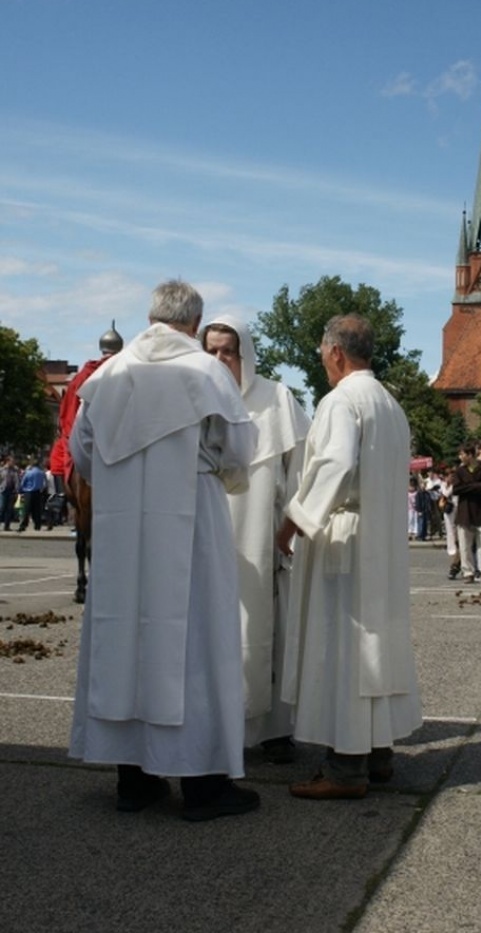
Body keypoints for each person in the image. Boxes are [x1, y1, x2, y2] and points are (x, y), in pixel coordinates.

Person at [69, 280, 260, 821]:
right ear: (194, 325)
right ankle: (203, 785)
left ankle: (135, 778)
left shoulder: (106, 378)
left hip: (122, 526)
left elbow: (82, 456)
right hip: (191, 521)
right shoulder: (206, 374)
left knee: (124, 634)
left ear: (150, 317)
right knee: (195, 640)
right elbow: (240, 449)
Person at [277, 314, 422, 799]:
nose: (323, 365)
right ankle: (376, 752)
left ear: (336, 352)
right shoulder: (388, 403)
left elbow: (334, 465)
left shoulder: (342, 401)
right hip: (379, 538)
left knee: (343, 646)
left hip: (345, 538)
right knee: (372, 647)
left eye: (322, 356)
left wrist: (291, 522)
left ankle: (345, 767)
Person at [201, 313, 310, 764]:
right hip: (209, 536)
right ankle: (216, 725)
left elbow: (302, 469)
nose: (221, 358)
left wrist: (292, 527)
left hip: (263, 538)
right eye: (212, 351)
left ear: (245, 352)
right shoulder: (195, 396)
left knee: (268, 632)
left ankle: (273, 732)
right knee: (213, 633)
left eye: (229, 350)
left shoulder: (276, 400)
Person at [50, 323, 124, 499]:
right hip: (119, 435)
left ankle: (58, 497)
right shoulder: (127, 370)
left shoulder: (83, 375)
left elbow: (68, 411)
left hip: (84, 432)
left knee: (58, 457)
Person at [453, 443, 481, 583]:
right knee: (465, 545)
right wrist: (475, 486)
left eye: (462, 454)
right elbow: (456, 489)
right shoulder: (459, 471)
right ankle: (468, 572)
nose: (460, 457)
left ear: (470, 455)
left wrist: (468, 486)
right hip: (464, 512)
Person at [17, 459, 46, 532]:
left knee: (26, 510)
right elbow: (45, 484)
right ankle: (37, 525)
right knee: (37, 510)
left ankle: (23, 525)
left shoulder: (28, 473)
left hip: (28, 492)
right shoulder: (42, 473)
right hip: (38, 493)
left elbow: (23, 482)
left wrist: (21, 490)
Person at [0, 455, 19, 531]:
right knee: (2, 508)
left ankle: (7, 526)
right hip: (3, 490)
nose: (13, 463)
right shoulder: (1, 470)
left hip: (11, 491)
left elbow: (17, 481)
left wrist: (17, 490)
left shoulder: (14, 470)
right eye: (12, 461)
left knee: (9, 509)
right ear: (7, 461)